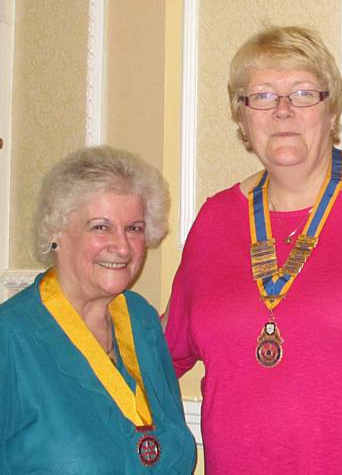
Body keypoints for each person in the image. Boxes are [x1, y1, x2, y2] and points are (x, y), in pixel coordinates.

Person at [163, 25, 342, 474]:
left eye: (302, 93)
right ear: (241, 117)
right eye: (261, 95)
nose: (282, 111)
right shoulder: (215, 218)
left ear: (330, 108)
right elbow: (165, 354)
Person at [0, 146, 196, 474]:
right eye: (100, 227)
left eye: (133, 228)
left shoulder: (142, 320)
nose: (121, 246)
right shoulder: (11, 339)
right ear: (55, 232)